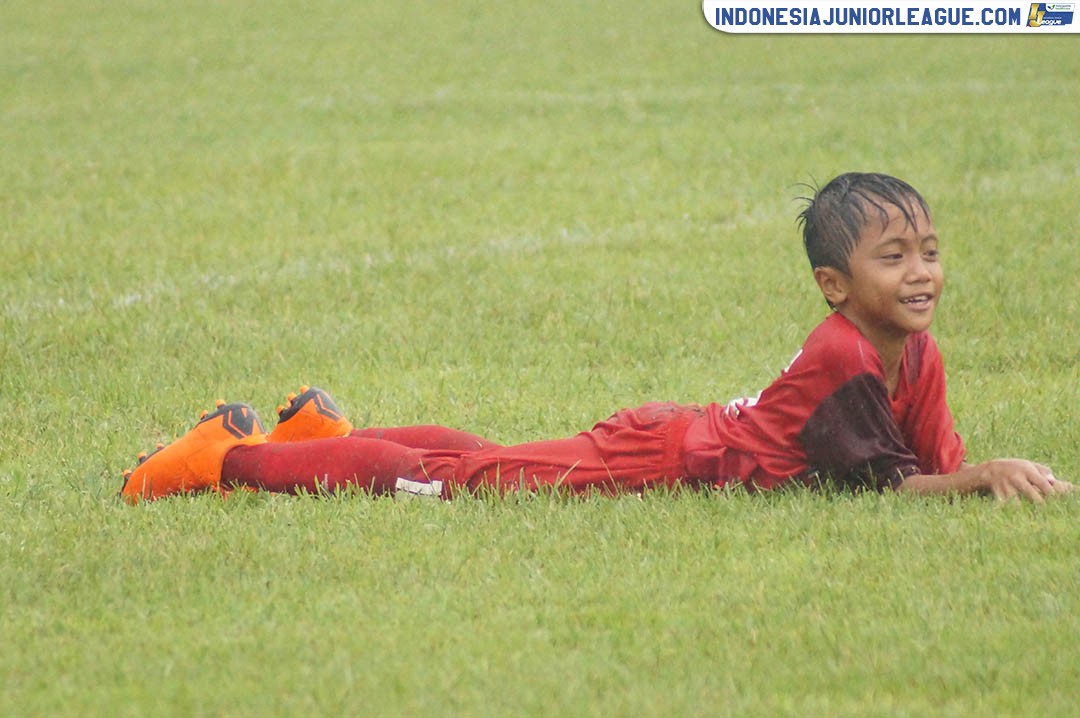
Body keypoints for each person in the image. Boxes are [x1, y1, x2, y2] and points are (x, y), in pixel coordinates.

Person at [120, 172, 1071, 504]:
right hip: (657, 462)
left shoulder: (920, 353)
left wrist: (992, 476)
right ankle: (226, 461)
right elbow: (895, 489)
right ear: (834, 287)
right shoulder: (843, 356)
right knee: (456, 488)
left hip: (669, 438)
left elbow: (937, 464)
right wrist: (978, 481)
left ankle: (318, 438)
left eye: (929, 251)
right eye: (892, 256)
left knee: (488, 462)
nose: (921, 272)